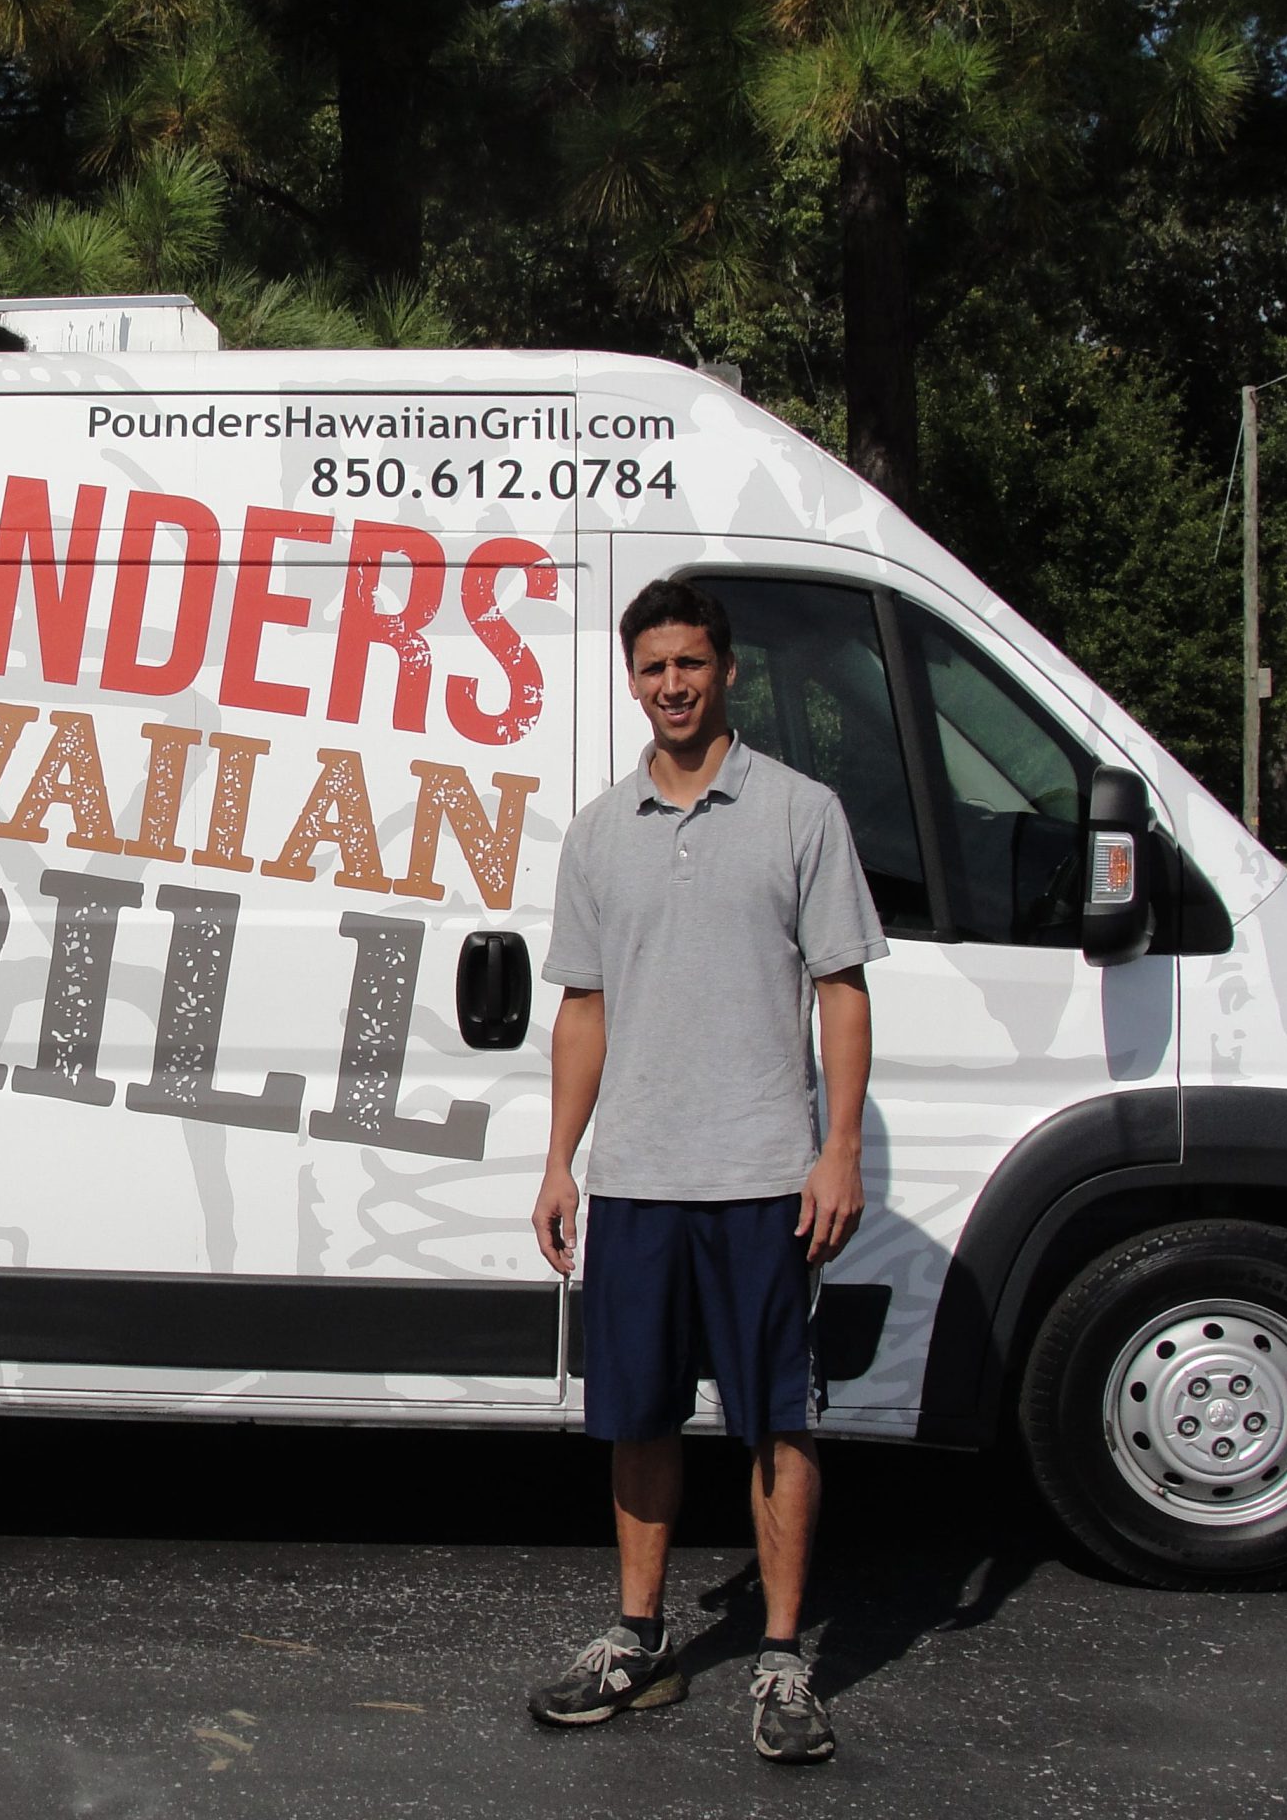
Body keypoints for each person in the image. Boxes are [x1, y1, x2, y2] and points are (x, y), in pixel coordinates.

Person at [524, 578, 883, 1765]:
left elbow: (841, 989)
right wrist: (559, 1162)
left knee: (779, 1421)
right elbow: (584, 1007)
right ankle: (639, 1640)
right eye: (650, 667)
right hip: (634, 1179)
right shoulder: (596, 828)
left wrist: (835, 1151)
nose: (670, 685)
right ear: (632, 680)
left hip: (763, 1179)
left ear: (727, 669)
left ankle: (782, 1662)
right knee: (637, 1416)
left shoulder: (798, 810)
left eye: (689, 663)